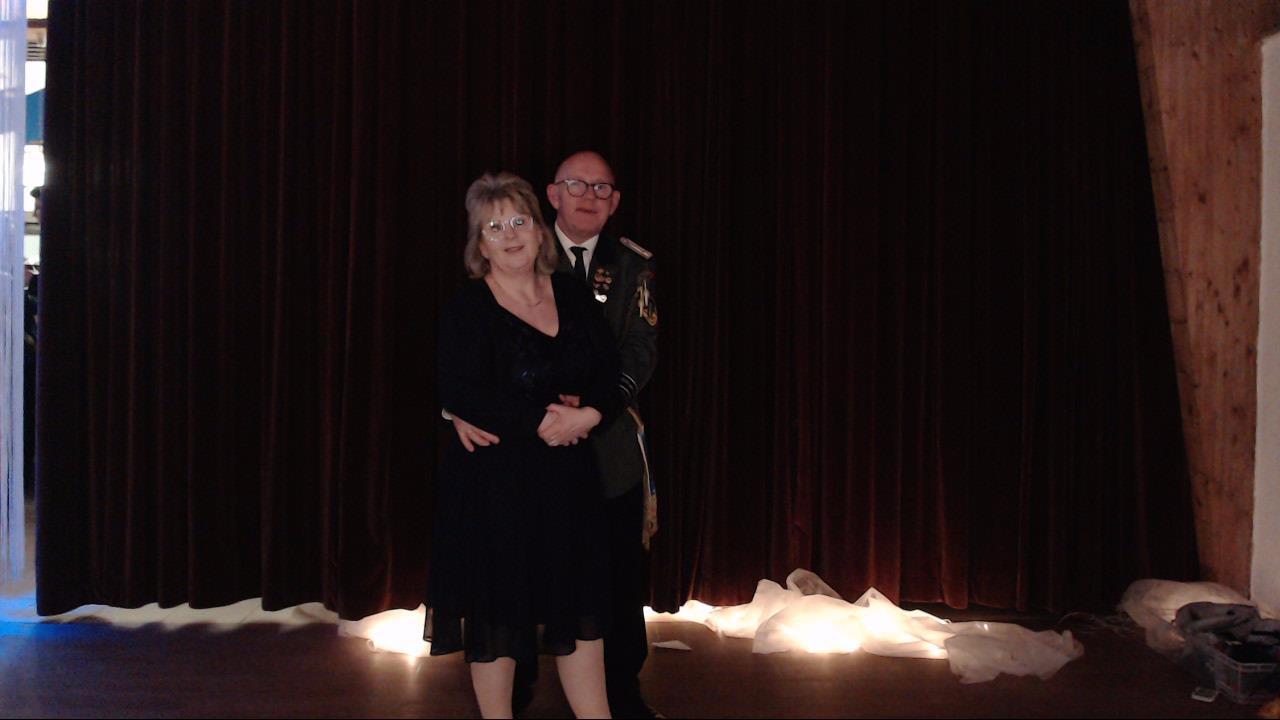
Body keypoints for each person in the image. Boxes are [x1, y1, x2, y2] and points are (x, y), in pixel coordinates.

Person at [450, 151, 660, 719]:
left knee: (599, 594)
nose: (588, 196)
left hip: (595, 458)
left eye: (601, 188)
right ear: (554, 196)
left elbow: (630, 356)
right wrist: (461, 411)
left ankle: (620, 700)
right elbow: (460, 374)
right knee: (505, 602)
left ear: (614, 201)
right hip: (506, 472)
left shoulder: (623, 267)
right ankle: (513, 699)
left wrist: (590, 412)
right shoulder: (478, 292)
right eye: (576, 185)